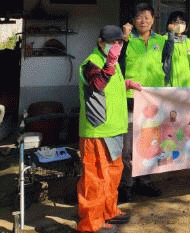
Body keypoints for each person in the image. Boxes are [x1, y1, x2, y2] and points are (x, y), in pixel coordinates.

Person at [76, 25, 142, 233]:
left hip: (114, 129)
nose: (117, 45)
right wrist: (111, 63)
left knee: (113, 174)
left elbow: (109, 86)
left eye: (119, 42)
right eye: (112, 42)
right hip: (97, 131)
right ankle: (91, 224)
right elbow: (97, 85)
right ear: (100, 42)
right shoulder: (91, 62)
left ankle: (108, 211)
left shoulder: (112, 63)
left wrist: (126, 84)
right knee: (94, 179)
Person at [118, 3, 166, 202]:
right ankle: (126, 185)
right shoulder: (125, 40)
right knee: (128, 146)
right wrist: (124, 38)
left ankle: (145, 182)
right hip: (130, 97)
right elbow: (117, 63)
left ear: (153, 19)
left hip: (153, 98)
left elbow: (168, 66)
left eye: (147, 17)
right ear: (132, 21)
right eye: (139, 17)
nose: (143, 21)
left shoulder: (161, 40)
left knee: (149, 142)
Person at [162, 11, 190, 88]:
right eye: (176, 22)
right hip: (171, 82)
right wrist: (171, 34)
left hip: (187, 83)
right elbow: (166, 55)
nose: (179, 25)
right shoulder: (164, 39)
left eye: (182, 23)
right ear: (170, 24)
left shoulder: (187, 41)